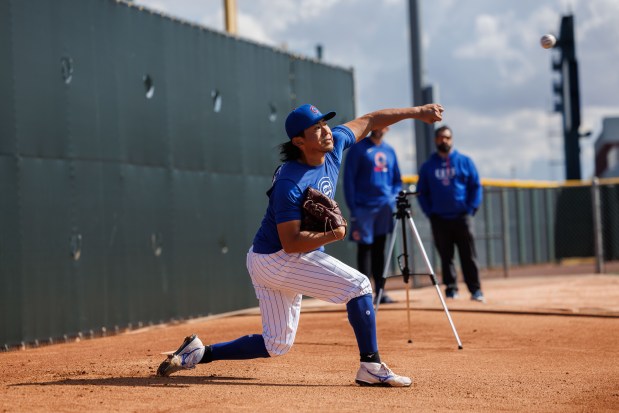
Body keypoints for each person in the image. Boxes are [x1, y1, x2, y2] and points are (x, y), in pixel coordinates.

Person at [157, 102, 444, 387]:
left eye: (324, 124)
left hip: (267, 258)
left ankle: (199, 353)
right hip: (277, 258)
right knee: (359, 286)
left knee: (276, 344)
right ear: (299, 141)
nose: (325, 132)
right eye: (315, 129)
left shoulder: (334, 147)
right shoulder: (290, 183)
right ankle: (370, 365)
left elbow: (370, 120)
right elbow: (291, 243)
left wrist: (418, 112)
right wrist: (335, 233)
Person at [415, 125, 484, 302]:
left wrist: (471, 208)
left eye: (447, 137)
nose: (443, 140)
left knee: (468, 256)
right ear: (435, 140)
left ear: (451, 140)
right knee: (446, 257)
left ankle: (475, 291)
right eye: (440, 137)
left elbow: (475, 186)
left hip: (462, 217)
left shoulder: (464, 161)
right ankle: (451, 290)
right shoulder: (428, 166)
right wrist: (429, 212)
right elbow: (422, 191)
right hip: (439, 219)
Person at [343, 126, 402, 305]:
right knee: (365, 250)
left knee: (380, 250)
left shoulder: (390, 150)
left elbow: (397, 180)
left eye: (383, 124)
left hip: (384, 208)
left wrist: (392, 198)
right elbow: (349, 179)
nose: (380, 128)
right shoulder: (358, 149)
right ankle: (364, 295)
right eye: (376, 124)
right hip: (363, 208)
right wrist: (354, 207)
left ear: (388, 128)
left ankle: (381, 293)